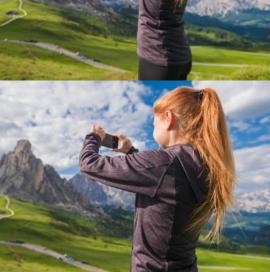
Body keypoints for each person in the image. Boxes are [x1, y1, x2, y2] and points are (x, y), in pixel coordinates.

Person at [80, 86, 235, 271]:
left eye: (154, 122)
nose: (154, 126)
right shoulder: (204, 164)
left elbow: (88, 164)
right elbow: (164, 180)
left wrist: (94, 137)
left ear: (168, 119)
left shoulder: (165, 163)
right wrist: (130, 152)